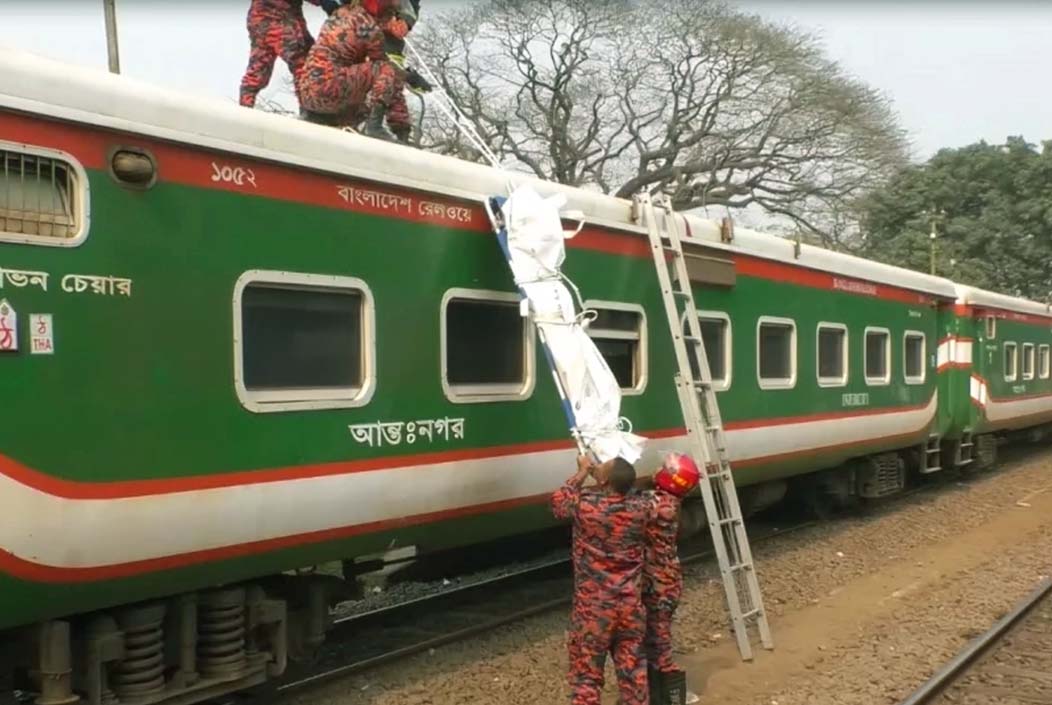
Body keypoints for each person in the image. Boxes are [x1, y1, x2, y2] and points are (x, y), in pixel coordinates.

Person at [552, 454, 649, 705]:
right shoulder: (642, 508)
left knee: (587, 678)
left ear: (604, 481)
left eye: (601, 468)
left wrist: (583, 472)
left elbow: (559, 503)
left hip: (593, 610)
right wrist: (606, 477)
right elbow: (629, 490)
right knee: (633, 673)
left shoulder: (588, 507)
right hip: (630, 606)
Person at [296, 0, 423, 141]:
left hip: (308, 95)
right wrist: (409, 77)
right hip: (330, 87)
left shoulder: (341, 14)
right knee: (384, 70)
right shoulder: (369, 28)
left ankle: (322, 122)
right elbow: (388, 73)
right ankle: (374, 127)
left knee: (362, 102)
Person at [640, 452, 701, 704]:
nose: (656, 469)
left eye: (662, 468)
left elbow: (619, 506)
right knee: (655, 637)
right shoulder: (669, 502)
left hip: (658, 584)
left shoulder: (658, 505)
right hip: (666, 581)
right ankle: (656, 690)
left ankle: (668, 695)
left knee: (659, 639)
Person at [239, 0, 341, 108]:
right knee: (305, 63)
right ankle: (308, 110)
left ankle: (245, 106)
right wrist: (327, 4)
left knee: (259, 65)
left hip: (258, 18)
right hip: (281, 18)